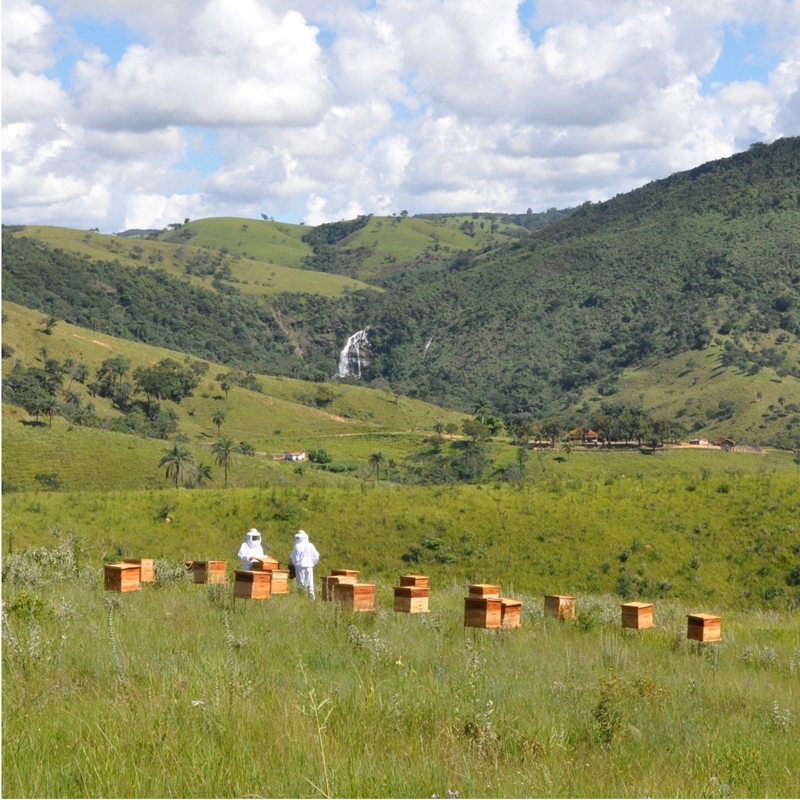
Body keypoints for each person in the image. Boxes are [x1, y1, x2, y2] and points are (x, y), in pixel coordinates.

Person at [290, 529, 320, 599]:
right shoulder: (311, 545)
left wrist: (295, 564)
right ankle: (312, 599)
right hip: (309, 567)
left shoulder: (297, 546)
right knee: (310, 584)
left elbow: (294, 558)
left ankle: (301, 598)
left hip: (300, 567)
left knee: (301, 583)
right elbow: (316, 556)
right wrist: (312, 563)